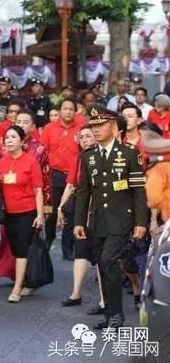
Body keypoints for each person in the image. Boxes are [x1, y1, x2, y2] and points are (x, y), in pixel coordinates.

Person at [74, 105, 147, 329]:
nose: (96, 130)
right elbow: (83, 191)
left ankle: (116, 314)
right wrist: (79, 221)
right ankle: (109, 313)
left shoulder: (128, 153)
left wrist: (140, 222)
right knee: (103, 265)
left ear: (114, 126)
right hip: (98, 220)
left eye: (101, 125)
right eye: (93, 126)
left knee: (108, 261)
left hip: (121, 219)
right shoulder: (88, 156)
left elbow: (138, 191)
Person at [0, 126, 44, 303]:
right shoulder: (3, 161)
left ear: (22, 141)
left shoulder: (30, 162)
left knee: (22, 249)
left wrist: (40, 215)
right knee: (15, 249)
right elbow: (0, 189)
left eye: (13, 137)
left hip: (27, 211)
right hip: (9, 212)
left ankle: (17, 288)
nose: (9, 140)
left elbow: (38, 190)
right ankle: (27, 280)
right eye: (7, 137)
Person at [56, 125, 105, 311]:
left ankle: (103, 299)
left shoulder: (103, 157)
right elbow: (70, 185)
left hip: (100, 212)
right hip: (81, 211)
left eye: (88, 136)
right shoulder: (79, 158)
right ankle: (75, 293)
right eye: (82, 137)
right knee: (80, 252)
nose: (84, 140)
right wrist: (60, 207)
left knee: (102, 258)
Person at [40, 98, 81, 259]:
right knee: (50, 209)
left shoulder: (81, 128)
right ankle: (48, 240)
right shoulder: (49, 128)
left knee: (70, 212)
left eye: (71, 109)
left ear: (75, 111)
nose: (68, 111)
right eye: (65, 108)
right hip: (53, 175)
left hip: (74, 175)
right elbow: (42, 152)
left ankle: (67, 247)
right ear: (60, 110)